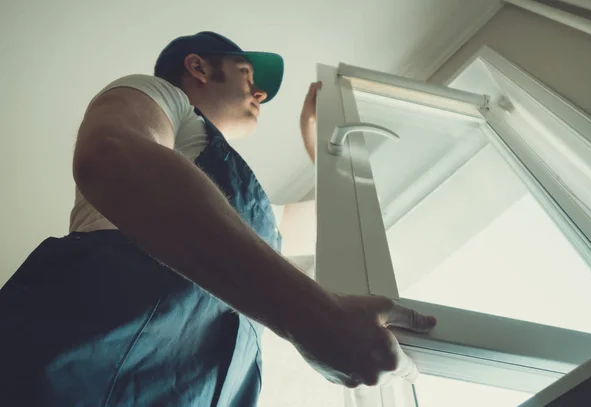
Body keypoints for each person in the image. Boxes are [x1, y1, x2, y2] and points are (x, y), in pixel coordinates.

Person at [0, 32, 436, 406]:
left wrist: (321, 146)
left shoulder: (252, 214)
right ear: (198, 67)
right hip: (79, 369)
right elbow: (111, 154)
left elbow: (330, 224)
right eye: (247, 74)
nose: (260, 93)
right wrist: (310, 315)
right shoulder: (161, 97)